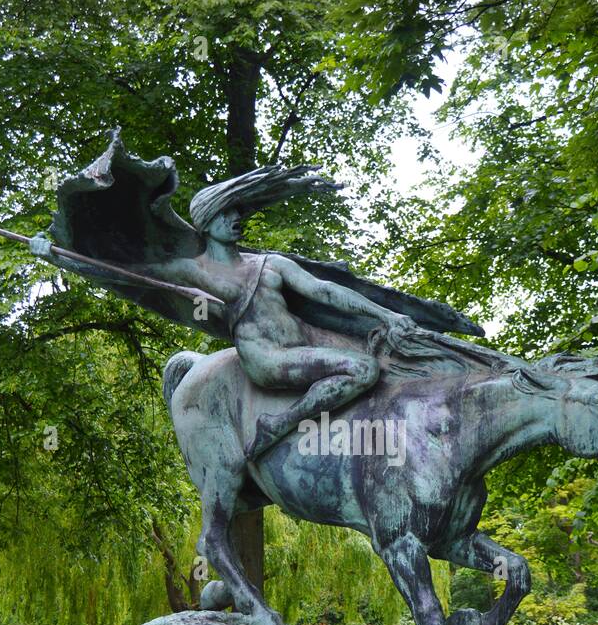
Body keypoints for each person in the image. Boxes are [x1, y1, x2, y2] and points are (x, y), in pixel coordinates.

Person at [31, 163, 421, 459]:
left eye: (237, 213)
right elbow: (124, 275)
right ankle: (278, 424)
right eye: (225, 214)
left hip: (305, 342)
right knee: (362, 370)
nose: (235, 220)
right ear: (206, 222)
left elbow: (324, 290)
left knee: (384, 362)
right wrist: (59, 259)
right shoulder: (192, 270)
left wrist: (385, 315)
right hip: (267, 357)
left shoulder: (269, 264)